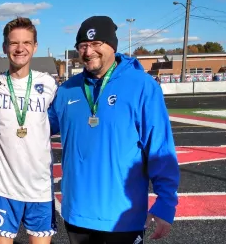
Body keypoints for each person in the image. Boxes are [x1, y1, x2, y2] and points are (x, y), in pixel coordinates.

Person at [48, 16, 180, 244]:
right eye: (83, 46)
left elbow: (159, 147)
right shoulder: (67, 90)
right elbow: (38, 126)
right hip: (76, 213)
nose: (88, 51)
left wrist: (166, 202)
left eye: (96, 44)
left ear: (112, 46)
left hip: (122, 218)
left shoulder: (142, 85)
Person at [0, 17, 58, 244]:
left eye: (26, 42)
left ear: (35, 46)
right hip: (3, 187)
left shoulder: (49, 84)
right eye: (14, 43)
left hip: (39, 187)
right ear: (5, 47)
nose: (20, 48)